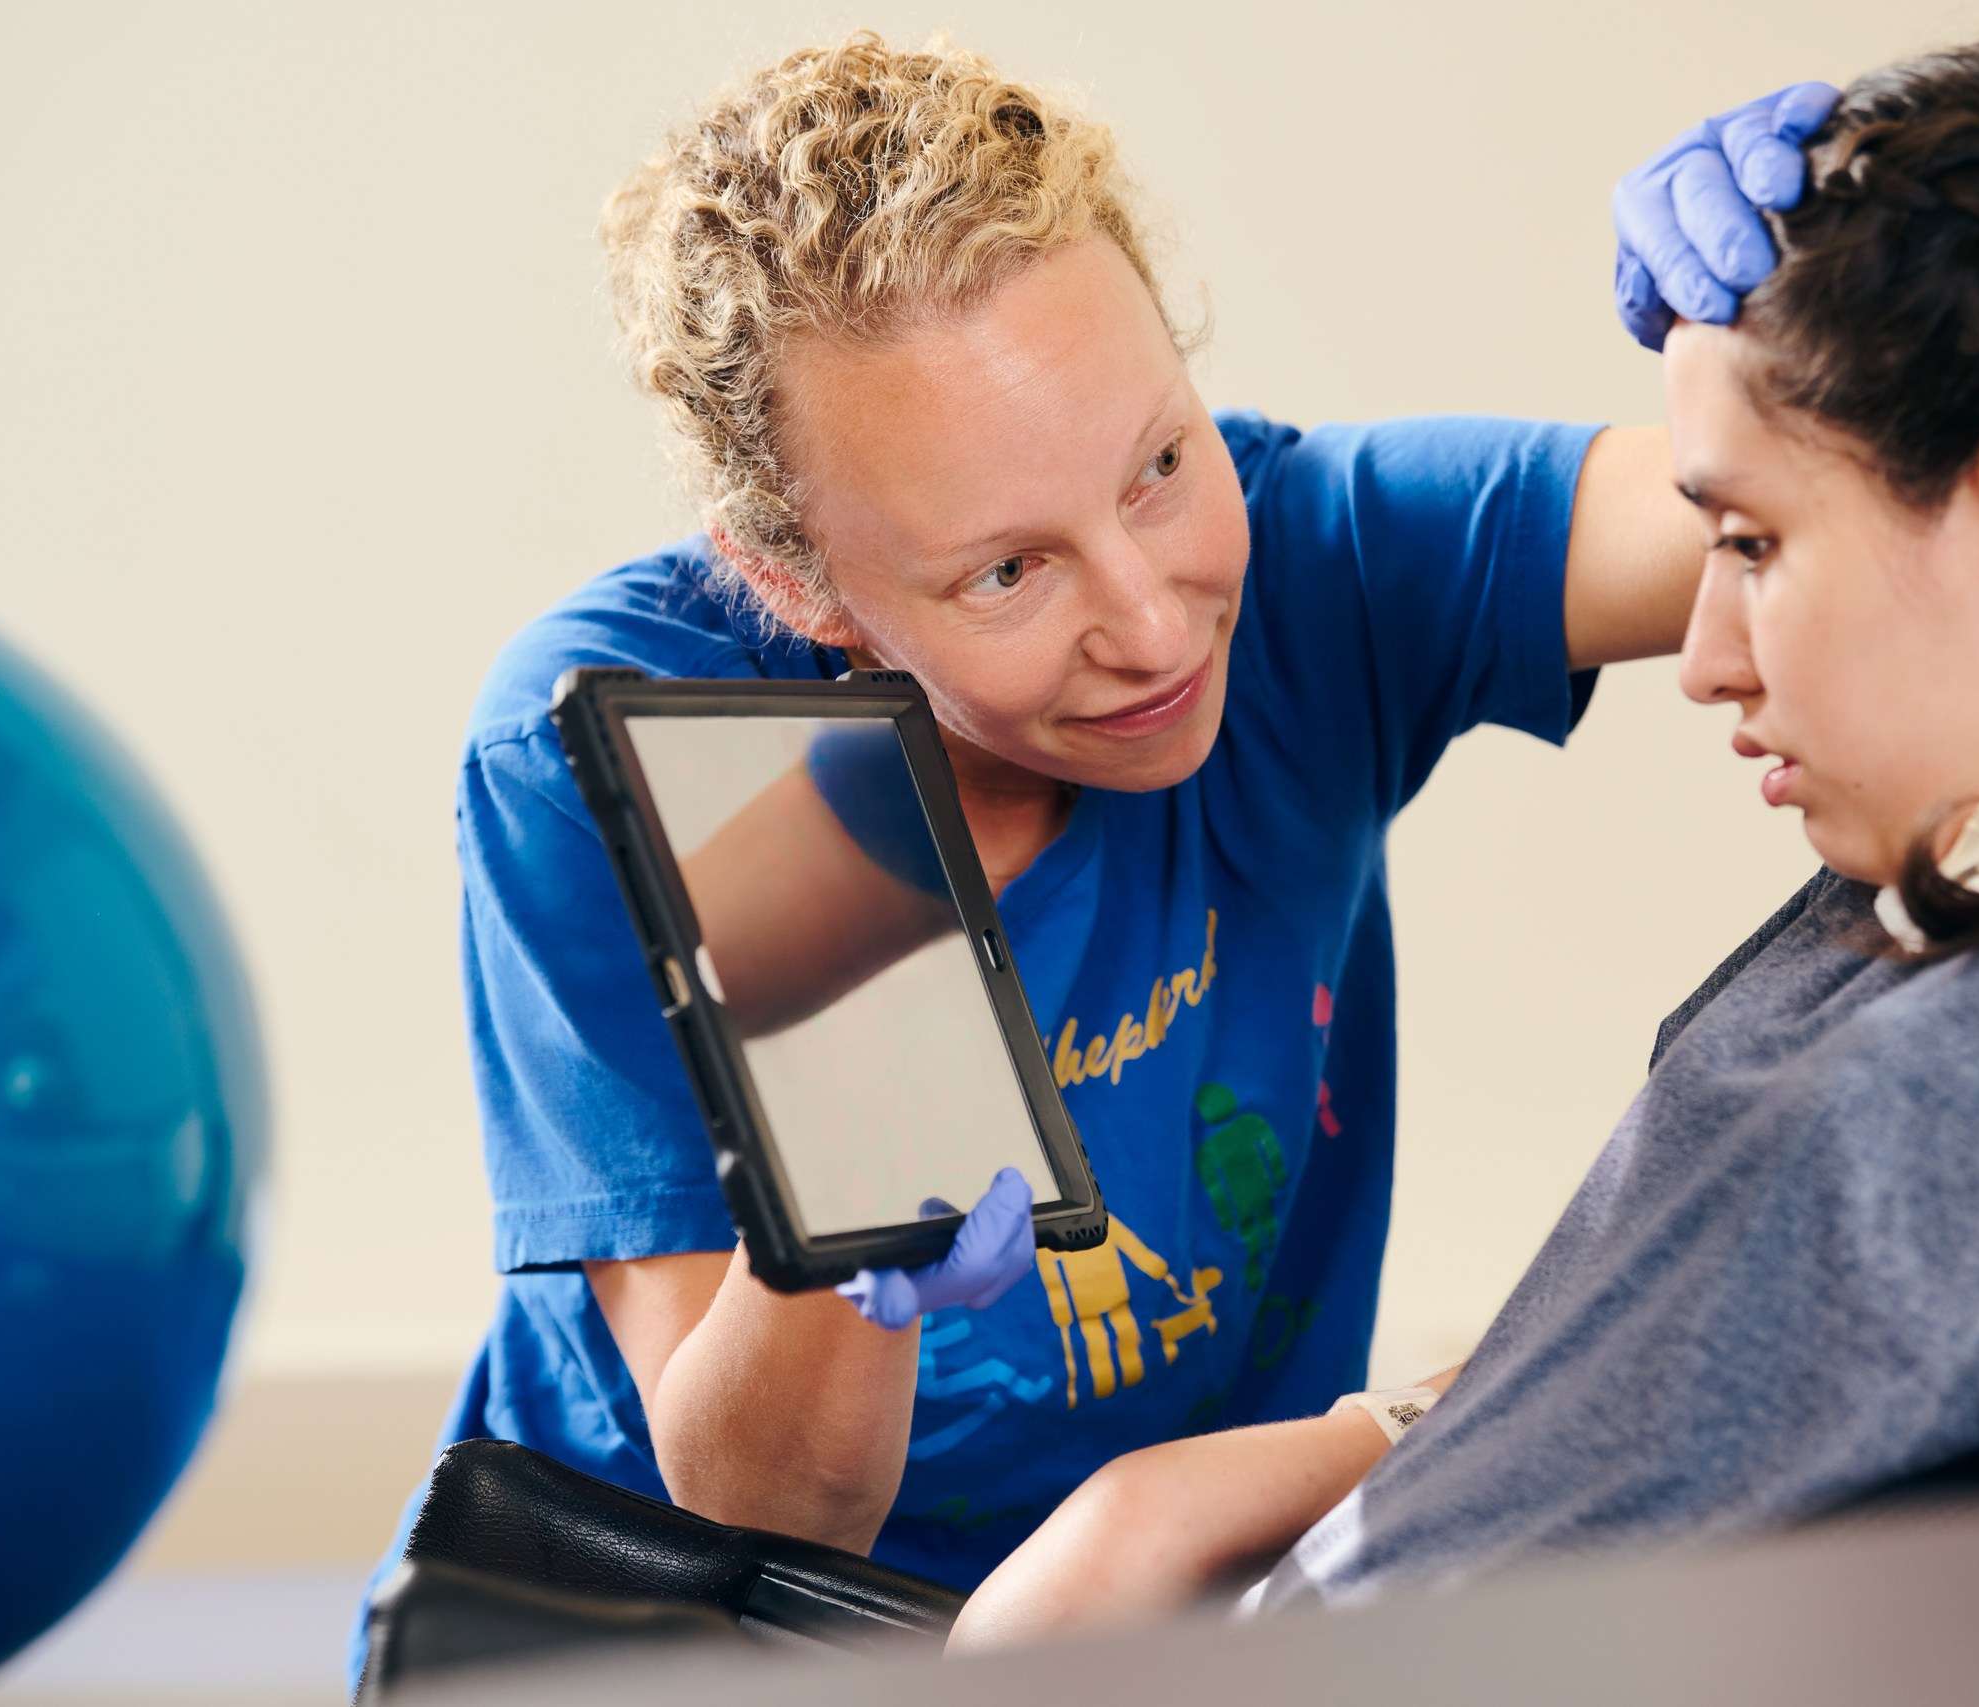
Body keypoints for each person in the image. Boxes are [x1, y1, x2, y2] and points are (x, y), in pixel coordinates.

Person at [945, 37, 1979, 1648]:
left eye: (1751, 541)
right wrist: (1336, 1455)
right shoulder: (1957, 853)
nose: (1700, 656)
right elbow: (1674, 1360)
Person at [352, 31, 1827, 1684]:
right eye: (1004, 574)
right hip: (704, 1646)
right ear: (807, 596)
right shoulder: (688, 753)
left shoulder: (1313, 574)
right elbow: (763, 1515)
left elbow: (1809, 501)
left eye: (1160, 464)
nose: (1150, 620)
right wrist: (846, 1256)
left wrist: (1869, 273)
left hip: (1173, 1627)